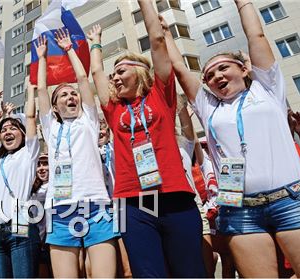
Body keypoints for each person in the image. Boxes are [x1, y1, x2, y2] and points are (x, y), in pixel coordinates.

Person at [162, 0, 300, 276]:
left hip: (292, 200)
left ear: (243, 69)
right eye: (209, 75)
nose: (217, 75)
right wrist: (165, 33)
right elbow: (179, 67)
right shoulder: (208, 107)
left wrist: (243, 3)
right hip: (240, 211)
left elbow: (256, 35)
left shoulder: (267, 88)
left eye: (224, 68)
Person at [88, 0, 206, 276]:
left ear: (139, 71)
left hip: (174, 195)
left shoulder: (160, 95)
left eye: (120, 72)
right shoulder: (114, 109)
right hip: (133, 202)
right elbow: (96, 74)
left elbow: (156, 39)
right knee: (148, 273)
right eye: (113, 74)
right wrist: (95, 44)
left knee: (190, 272)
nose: (114, 78)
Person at [35, 29, 118, 278]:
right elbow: (41, 91)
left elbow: (83, 80)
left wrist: (69, 49)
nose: (71, 96)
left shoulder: (89, 121)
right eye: (63, 95)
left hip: (97, 209)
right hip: (60, 212)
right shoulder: (51, 127)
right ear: (55, 107)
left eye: (73, 95)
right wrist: (42, 58)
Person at [0, 85, 40, 278]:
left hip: (19, 225)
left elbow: (31, 118)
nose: (7, 131)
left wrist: (31, 91)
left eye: (13, 128)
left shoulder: (28, 153)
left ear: (23, 134)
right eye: (4, 129)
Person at [30, 153, 51, 278]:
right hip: (38, 239)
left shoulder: (56, 186)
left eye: (45, 164)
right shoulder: (32, 189)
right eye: (38, 165)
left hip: (53, 236)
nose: (41, 168)